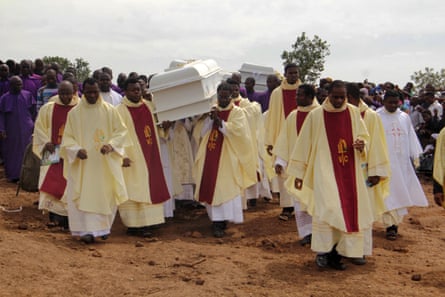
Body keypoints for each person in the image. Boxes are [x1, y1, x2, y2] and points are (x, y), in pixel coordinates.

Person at [286, 80, 374, 270]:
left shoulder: (352, 112)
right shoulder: (316, 116)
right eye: (335, 97)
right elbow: (303, 145)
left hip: (349, 170)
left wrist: (361, 145)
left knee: (347, 210)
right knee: (328, 209)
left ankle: (338, 254)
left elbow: (364, 136)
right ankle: (323, 253)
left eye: (342, 97)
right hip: (324, 170)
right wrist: (299, 174)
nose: (339, 100)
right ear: (328, 95)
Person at [60, 78, 130, 244]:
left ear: (99, 91)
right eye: (89, 92)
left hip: (104, 164)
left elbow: (121, 132)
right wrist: (76, 150)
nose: (92, 95)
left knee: (105, 193)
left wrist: (111, 146)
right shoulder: (74, 113)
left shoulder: (110, 111)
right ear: (83, 91)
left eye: (95, 92)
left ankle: (102, 229)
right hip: (83, 165)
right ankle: (86, 231)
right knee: (83, 193)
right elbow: (67, 138)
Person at [193, 82, 256, 237]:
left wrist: (220, 121)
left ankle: (222, 222)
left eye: (225, 96)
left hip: (228, 156)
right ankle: (215, 220)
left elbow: (240, 133)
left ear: (230, 96)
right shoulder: (211, 110)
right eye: (220, 96)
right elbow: (200, 133)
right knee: (210, 185)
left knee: (224, 187)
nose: (222, 99)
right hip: (210, 153)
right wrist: (208, 119)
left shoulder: (238, 112)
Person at [116, 78, 170, 237]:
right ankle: (133, 225)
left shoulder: (148, 106)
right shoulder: (119, 110)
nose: (136, 92)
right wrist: (122, 156)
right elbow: (116, 135)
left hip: (150, 153)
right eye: (133, 90)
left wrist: (164, 129)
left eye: (138, 89)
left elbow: (156, 127)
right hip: (131, 157)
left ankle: (149, 223)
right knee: (133, 189)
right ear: (125, 91)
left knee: (150, 186)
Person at [346, 82, 391, 264]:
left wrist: (376, 172)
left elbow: (378, 145)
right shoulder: (339, 115)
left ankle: (360, 250)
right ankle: (344, 248)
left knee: (363, 211)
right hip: (345, 170)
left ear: (353, 98)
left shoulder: (370, 116)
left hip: (365, 172)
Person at [376, 89, 428, 240]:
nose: (393, 105)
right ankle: (389, 226)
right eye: (390, 102)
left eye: (396, 102)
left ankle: (395, 224)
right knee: (388, 193)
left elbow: (411, 136)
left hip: (402, 162)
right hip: (385, 162)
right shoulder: (377, 116)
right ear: (383, 102)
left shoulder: (404, 117)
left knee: (400, 192)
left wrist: (415, 156)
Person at [273, 84, 319, 246]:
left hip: (316, 168)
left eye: (299, 95)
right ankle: (307, 233)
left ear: (309, 97)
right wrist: (280, 161)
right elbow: (285, 139)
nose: (296, 97)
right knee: (300, 201)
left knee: (315, 200)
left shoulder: (319, 114)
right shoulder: (293, 115)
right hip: (298, 168)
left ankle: (320, 234)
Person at [33, 80, 79, 229]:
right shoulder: (48, 108)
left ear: (74, 92)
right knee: (50, 184)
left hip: (71, 153)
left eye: (68, 93)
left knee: (69, 185)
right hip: (52, 151)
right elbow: (39, 127)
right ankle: (54, 218)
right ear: (58, 93)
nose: (65, 96)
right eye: (62, 93)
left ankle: (70, 220)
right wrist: (46, 142)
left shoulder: (79, 109)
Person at [265, 63, 300, 220]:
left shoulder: (305, 91)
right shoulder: (277, 93)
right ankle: (287, 207)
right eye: (290, 73)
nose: (293, 75)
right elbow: (272, 118)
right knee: (283, 171)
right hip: (282, 138)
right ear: (285, 74)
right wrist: (271, 141)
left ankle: (302, 205)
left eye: (295, 73)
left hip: (300, 139)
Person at [0, 76, 36, 182]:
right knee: (11, 153)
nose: (19, 86)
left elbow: (33, 111)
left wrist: (32, 124)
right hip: (11, 130)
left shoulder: (28, 95)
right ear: (11, 85)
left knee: (26, 151)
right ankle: (13, 176)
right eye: (16, 84)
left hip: (26, 129)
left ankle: (26, 176)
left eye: (20, 84)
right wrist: (1, 129)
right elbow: (1, 115)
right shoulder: (4, 98)